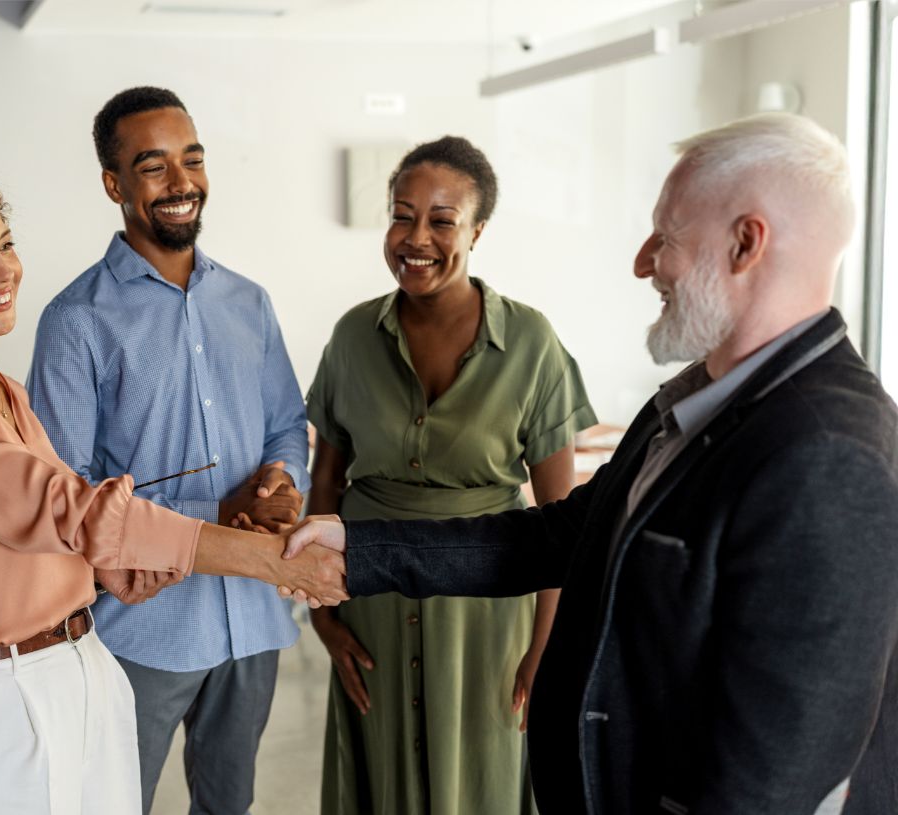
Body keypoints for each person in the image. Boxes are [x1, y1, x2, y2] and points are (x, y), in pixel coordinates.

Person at [283, 113, 898, 815]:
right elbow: (552, 536)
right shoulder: (696, 401)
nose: (643, 262)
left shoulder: (829, 451)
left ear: (744, 243)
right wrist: (358, 546)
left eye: (665, 236)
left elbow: (777, 770)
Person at [0, 148, 345, 814]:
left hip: (81, 663)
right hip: (4, 689)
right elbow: (65, 505)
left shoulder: (4, 390)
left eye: (5, 244)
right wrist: (264, 559)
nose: (5, 271)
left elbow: (53, 533)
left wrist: (103, 571)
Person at [26, 87, 310, 814]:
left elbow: (286, 422)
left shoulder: (249, 302)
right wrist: (218, 509)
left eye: (192, 159)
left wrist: (282, 480)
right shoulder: (76, 320)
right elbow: (67, 491)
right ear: (114, 184)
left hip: (251, 615)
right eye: (154, 167)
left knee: (230, 804)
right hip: (139, 628)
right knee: (118, 802)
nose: (182, 182)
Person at [305, 135, 595, 815]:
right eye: (402, 215)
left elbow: (563, 523)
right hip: (369, 604)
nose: (417, 237)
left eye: (442, 220)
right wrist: (323, 618)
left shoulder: (530, 342)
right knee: (375, 779)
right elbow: (325, 488)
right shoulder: (352, 336)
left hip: (488, 619)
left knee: (483, 783)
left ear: (477, 230)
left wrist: (543, 649)